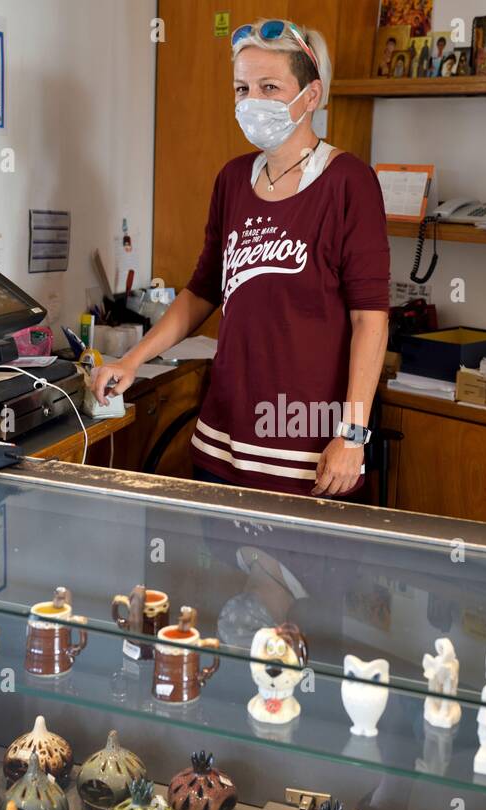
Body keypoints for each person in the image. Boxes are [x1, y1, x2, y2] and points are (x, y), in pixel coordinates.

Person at [94, 19, 390, 498]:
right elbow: (202, 290)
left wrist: (353, 435)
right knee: (220, 569)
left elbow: (370, 318)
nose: (252, 101)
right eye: (242, 88)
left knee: (303, 571)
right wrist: (133, 360)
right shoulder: (233, 180)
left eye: (269, 87)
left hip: (306, 442)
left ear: (311, 96)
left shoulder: (348, 183)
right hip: (223, 435)